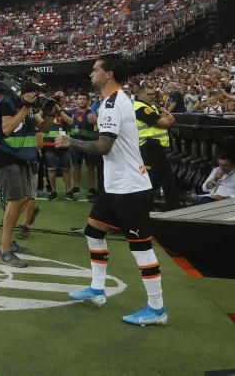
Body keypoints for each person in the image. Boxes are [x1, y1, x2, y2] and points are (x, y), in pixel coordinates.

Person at [55, 54, 167, 326]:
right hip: (117, 186)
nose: (90, 74)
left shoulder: (114, 102)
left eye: (95, 70)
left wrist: (70, 141)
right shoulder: (110, 101)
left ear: (110, 74)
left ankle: (157, 308)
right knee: (94, 231)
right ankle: (97, 289)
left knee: (140, 247)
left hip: (131, 187)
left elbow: (104, 146)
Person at [0, 79, 53, 267]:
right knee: (16, 200)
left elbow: (45, 128)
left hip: (21, 157)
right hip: (5, 156)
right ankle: (4, 251)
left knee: (22, 200)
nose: (36, 96)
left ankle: (6, 242)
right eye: (33, 92)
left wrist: (50, 112)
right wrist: (25, 108)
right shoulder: (7, 102)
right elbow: (7, 129)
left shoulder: (27, 105)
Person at [133, 85, 181, 210]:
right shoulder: (140, 108)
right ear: (140, 95)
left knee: (167, 179)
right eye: (149, 94)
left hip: (157, 148)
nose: (153, 96)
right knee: (149, 181)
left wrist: (167, 117)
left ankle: (174, 207)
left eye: (153, 94)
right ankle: (143, 210)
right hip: (147, 149)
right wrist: (167, 118)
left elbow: (171, 119)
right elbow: (165, 123)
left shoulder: (152, 106)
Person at [43, 93, 75, 200]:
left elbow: (70, 122)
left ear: (65, 100)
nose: (59, 100)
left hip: (63, 144)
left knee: (66, 169)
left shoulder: (67, 112)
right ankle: (53, 191)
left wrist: (59, 111)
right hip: (48, 144)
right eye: (57, 98)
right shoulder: (47, 112)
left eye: (62, 98)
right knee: (51, 169)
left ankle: (68, 191)